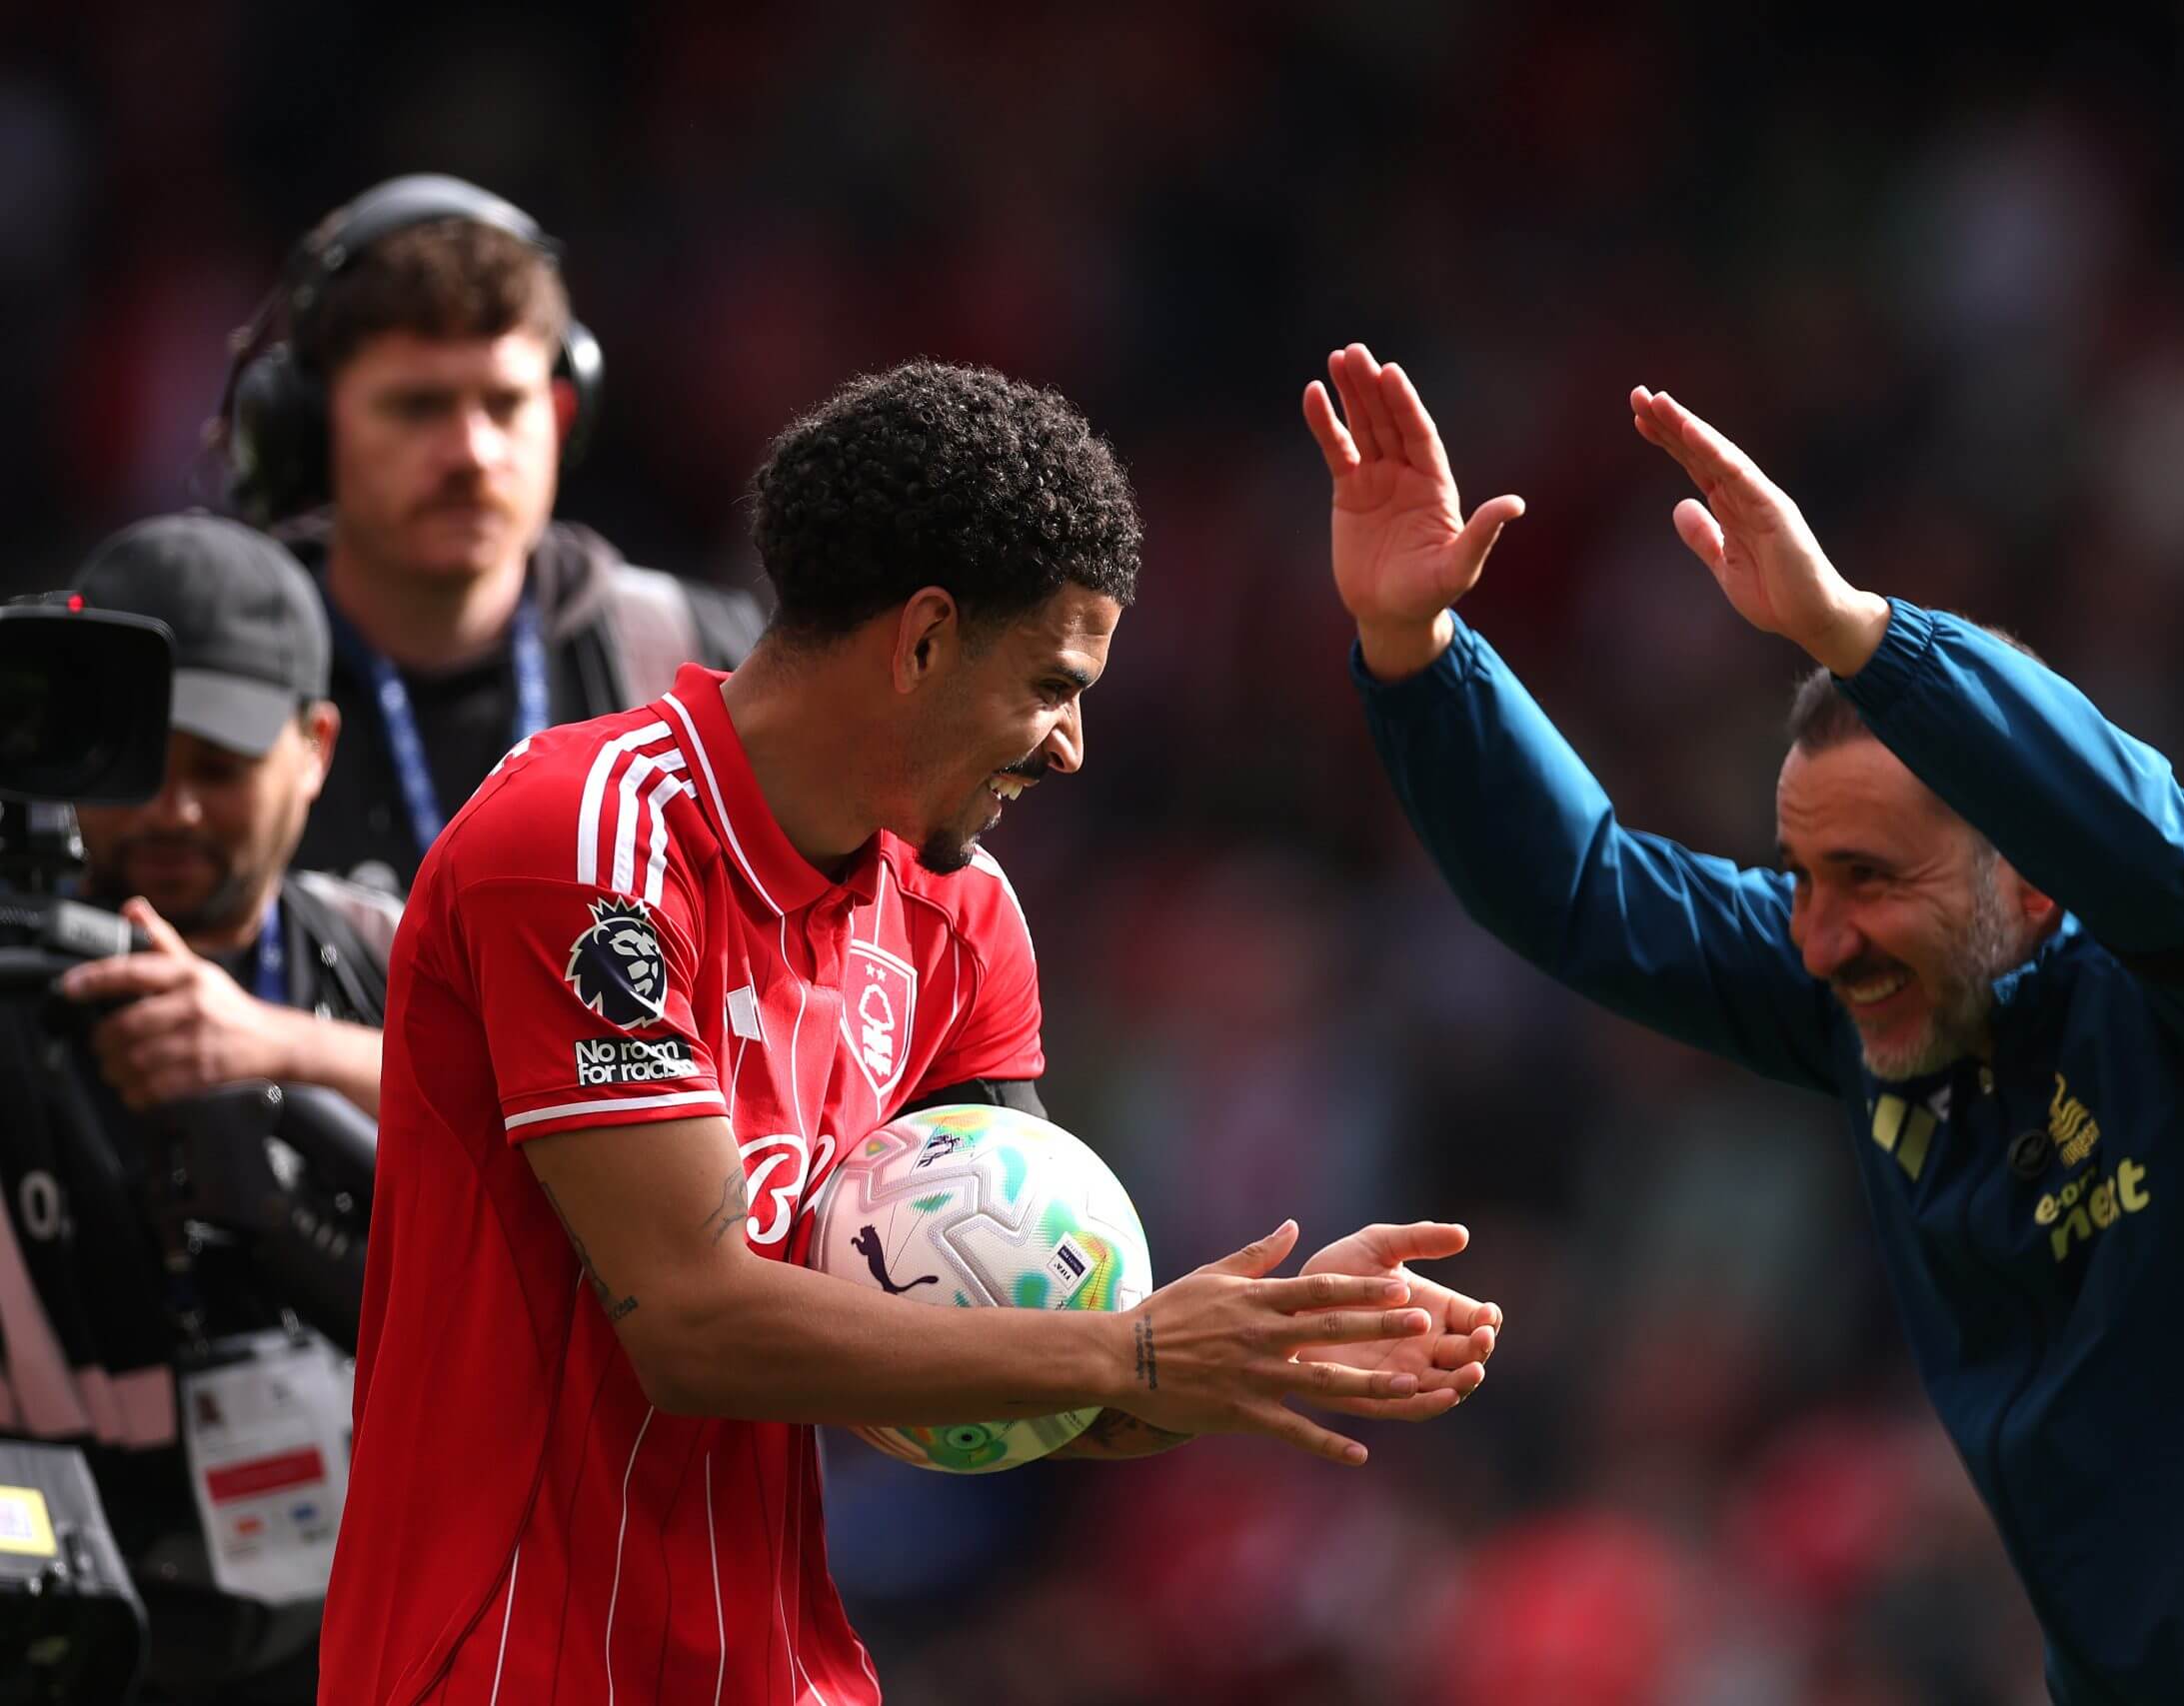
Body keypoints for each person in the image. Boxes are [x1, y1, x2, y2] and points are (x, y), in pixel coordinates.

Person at [1305, 343, 2184, 1701]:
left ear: (2034, 874)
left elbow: (2163, 867)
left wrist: (1864, 635)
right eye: (1800, 876)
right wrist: (1414, 650)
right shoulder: (1896, 995)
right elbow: (1591, 892)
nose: (1817, 937)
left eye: (1868, 878)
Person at [322, 359, 1501, 1704]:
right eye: (1053, 682)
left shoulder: (962, 918)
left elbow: (1016, 1374)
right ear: (925, 637)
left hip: (783, 1672)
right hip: (507, 1666)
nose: (1069, 747)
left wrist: (1259, 1339)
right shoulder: (591, 841)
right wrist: (1134, 1350)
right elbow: (692, 1322)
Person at [0, 513, 398, 1702]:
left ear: (315, 749)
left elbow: (562, 1117)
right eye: (137, 763)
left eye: (218, 768)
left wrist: (278, 1048)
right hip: (65, 1636)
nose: (171, 810)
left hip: (354, 1621)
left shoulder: (390, 948)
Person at [216, 174, 767, 897]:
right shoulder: (221, 673)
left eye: (505, 404)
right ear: (315, 432)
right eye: (418, 407)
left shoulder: (703, 663)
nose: (472, 453)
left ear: (562, 418)